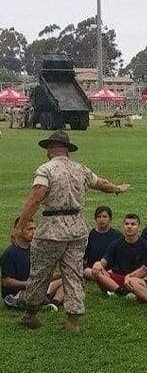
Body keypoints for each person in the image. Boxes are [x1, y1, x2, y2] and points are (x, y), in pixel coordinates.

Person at [14, 130, 130, 331]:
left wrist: (21, 225)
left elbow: (36, 197)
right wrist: (117, 188)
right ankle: (73, 320)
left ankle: (30, 313)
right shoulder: (81, 169)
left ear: (50, 149)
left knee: (40, 272)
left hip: (52, 227)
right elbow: (101, 183)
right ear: (67, 150)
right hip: (77, 227)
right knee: (74, 273)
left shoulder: (46, 170)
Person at [91, 213, 147, 296]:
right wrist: (98, 264)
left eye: (133, 224)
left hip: (137, 279)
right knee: (97, 272)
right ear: (123, 226)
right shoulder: (116, 244)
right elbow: (104, 260)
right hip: (119, 278)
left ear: (139, 227)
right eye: (127, 224)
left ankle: (123, 291)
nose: (129, 226)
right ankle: (120, 291)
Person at [83, 206, 122, 280]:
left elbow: (120, 258)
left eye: (104, 217)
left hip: (111, 270)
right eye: (99, 217)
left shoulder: (118, 236)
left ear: (110, 219)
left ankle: (103, 277)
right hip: (92, 270)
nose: (102, 219)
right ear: (95, 219)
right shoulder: (90, 235)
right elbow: (83, 257)